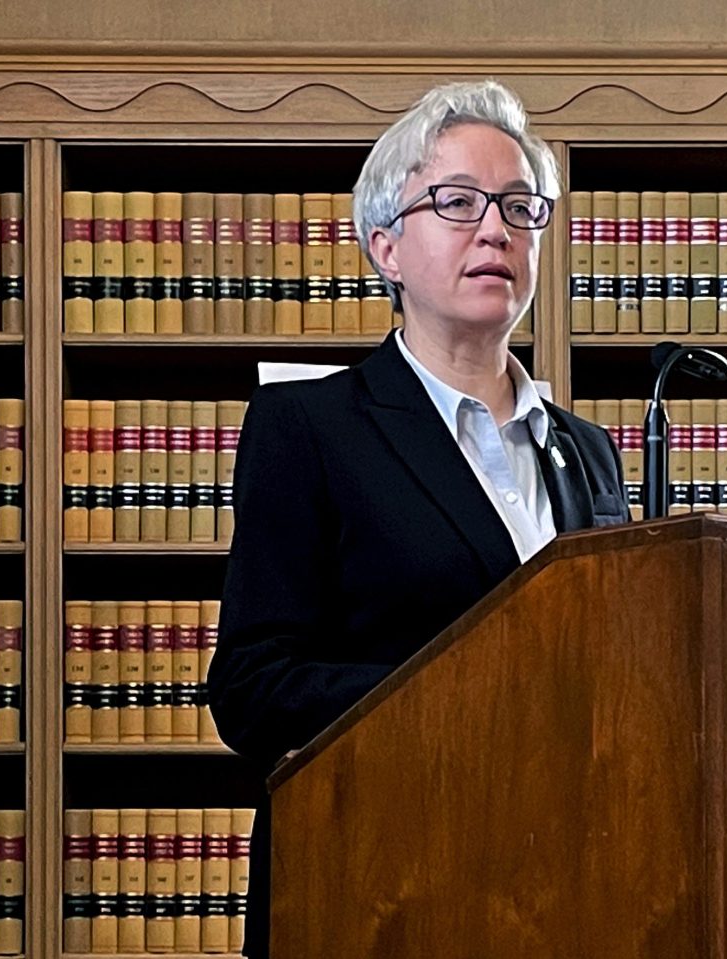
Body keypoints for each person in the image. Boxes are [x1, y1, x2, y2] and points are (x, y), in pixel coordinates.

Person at [207, 80, 631, 959]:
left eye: (520, 206)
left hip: (569, 892)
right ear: (386, 247)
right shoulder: (310, 429)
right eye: (458, 202)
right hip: (379, 890)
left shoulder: (588, 452)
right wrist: (472, 691)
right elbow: (254, 689)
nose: (496, 230)